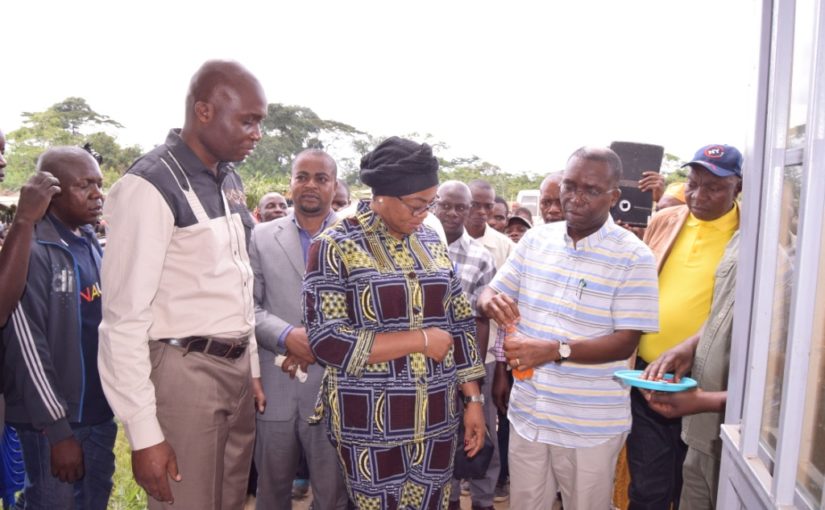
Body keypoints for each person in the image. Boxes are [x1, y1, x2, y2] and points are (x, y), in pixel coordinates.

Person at [98, 60, 267, 510]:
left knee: (230, 502)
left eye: (260, 122)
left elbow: (236, 279)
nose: (257, 134)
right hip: (184, 371)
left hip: (233, 372)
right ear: (204, 112)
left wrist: (248, 365)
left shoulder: (228, 178)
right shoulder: (150, 185)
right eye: (247, 121)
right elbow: (122, 318)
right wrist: (144, 434)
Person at [303, 136, 486, 509]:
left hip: (437, 419)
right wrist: (419, 340)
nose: (424, 214)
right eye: (417, 205)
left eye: (429, 204)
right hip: (370, 425)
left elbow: (460, 322)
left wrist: (473, 399)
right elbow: (328, 340)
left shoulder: (431, 242)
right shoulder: (336, 244)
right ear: (382, 195)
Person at [478, 146, 659, 509]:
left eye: (591, 190)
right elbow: (492, 290)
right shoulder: (535, 240)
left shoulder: (633, 256)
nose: (576, 198)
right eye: (570, 185)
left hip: (589, 425)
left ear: (614, 197)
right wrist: (488, 300)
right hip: (530, 413)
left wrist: (555, 350)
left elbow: (625, 342)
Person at [627, 144, 742, 510]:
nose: (698, 195)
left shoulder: (750, 236)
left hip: (707, 382)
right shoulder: (666, 219)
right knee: (648, 488)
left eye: (713, 187)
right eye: (692, 184)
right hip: (649, 377)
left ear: (737, 187)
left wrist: (692, 346)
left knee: (695, 484)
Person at [3, 146, 115, 509]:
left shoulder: (88, 243)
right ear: (51, 191)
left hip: (99, 412)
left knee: (93, 499)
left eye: (99, 184)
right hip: (54, 421)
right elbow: (28, 347)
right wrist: (57, 429)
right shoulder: (31, 250)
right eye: (85, 185)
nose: (98, 194)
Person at [248, 149, 348, 510]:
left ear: (334, 186)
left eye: (321, 178)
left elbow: (364, 316)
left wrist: (316, 343)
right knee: (271, 493)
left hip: (335, 389)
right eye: (302, 176)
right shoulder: (260, 236)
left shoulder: (357, 238)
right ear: (290, 183)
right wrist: (287, 335)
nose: (310, 185)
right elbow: (248, 306)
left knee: (333, 495)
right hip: (275, 387)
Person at [641, 230, 739, 510]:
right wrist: (692, 345)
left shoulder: (799, 259)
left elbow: (786, 386)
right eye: (693, 184)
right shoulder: (742, 239)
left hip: (737, 437)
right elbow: (721, 312)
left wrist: (705, 401)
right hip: (701, 431)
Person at [433, 181, 497, 510]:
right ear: (434, 204)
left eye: (461, 207)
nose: (453, 213)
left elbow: (481, 320)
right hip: (427, 361)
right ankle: (451, 499)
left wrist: (474, 372)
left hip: (469, 363)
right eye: (445, 205)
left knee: (478, 432)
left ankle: (483, 501)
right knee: (443, 435)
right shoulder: (419, 245)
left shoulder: (481, 257)